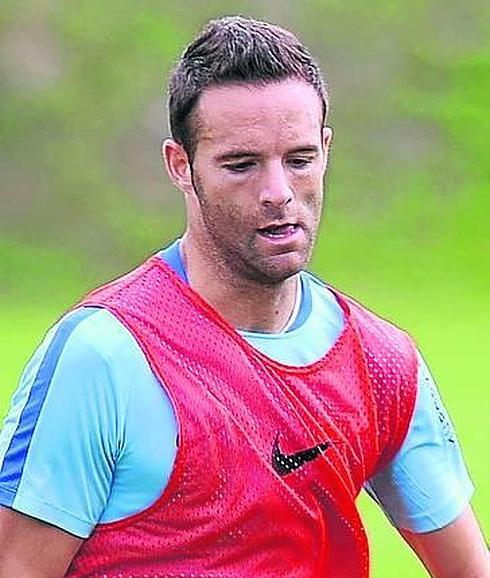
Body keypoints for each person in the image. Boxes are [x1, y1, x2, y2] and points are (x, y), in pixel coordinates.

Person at [0, 16, 488, 578]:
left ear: (326, 150)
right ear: (180, 166)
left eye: (299, 160)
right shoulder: (105, 357)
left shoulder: (381, 363)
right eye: (242, 165)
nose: (279, 193)